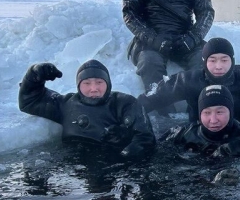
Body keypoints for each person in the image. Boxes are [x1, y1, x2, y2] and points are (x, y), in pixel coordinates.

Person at [18, 60, 155, 159]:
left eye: (99, 82)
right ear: (78, 85)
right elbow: (30, 101)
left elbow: (146, 139)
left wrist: (125, 140)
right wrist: (33, 76)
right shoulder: (66, 105)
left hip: (115, 167)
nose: (93, 88)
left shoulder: (124, 103)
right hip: (73, 169)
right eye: (87, 83)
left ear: (108, 83)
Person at [162, 84, 240, 155]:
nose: (213, 120)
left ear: (231, 112)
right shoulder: (183, 134)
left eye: (219, 112)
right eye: (207, 113)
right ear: (200, 114)